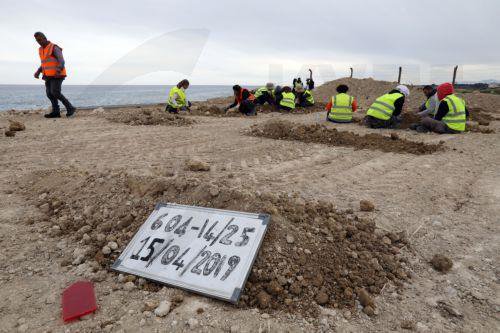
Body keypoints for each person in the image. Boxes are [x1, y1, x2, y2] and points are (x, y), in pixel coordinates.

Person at [34, 32, 75, 118]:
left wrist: (58, 69)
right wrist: (38, 71)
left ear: (45, 38)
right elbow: (44, 63)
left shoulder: (54, 47)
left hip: (57, 74)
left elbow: (61, 60)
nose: (39, 42)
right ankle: (56, 112)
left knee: (55, 92)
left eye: (40, 39)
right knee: (49, 94)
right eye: (37, 40)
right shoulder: (41, 49)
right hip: (48, 75)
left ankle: (70, 107)